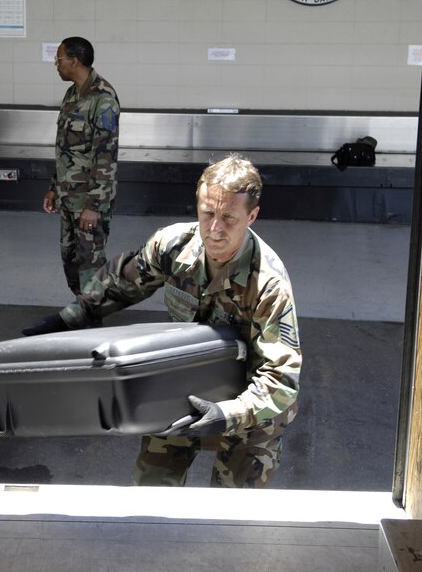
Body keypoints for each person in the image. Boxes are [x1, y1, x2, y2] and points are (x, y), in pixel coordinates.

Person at [23, 155, 302, 489]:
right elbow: (122, 282)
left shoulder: (268, 283)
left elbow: (281, 380)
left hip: (250, 404)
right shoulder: (172, 246)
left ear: (251, 216)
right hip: (186, 386)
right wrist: (69, 318)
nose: (214, 229)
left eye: (229, 217)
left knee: (232, 511)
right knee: (151, 489)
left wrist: (227, 414)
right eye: (207, 213)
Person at [41, 36, 120, 300]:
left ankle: (92, 319)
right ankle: (81, 307)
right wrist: (54, 188)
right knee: (71, 259)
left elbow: (105, 156)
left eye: (59, 59)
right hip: (68, 197)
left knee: (91, 264)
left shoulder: (103, 99)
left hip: (88, 200)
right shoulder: (72, 94)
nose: (56, 64)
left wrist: (93, 206)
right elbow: (65, 149)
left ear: (73, 61)